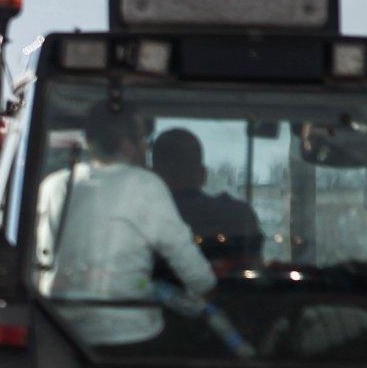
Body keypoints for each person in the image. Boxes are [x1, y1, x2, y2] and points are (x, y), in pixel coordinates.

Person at [35, 110, 215, 347]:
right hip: (130, 333)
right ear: (129, 146)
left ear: (88, 141)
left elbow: (41, 257)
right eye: (143, 141)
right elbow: (186, 260)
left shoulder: (54, 186)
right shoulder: (145, 185)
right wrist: (207, 288)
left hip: (62, 329)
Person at [149, 128, 264, 271]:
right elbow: (254, 272)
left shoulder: (138, 219)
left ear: (154, 176)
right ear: (202, 174)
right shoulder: (238, 216)